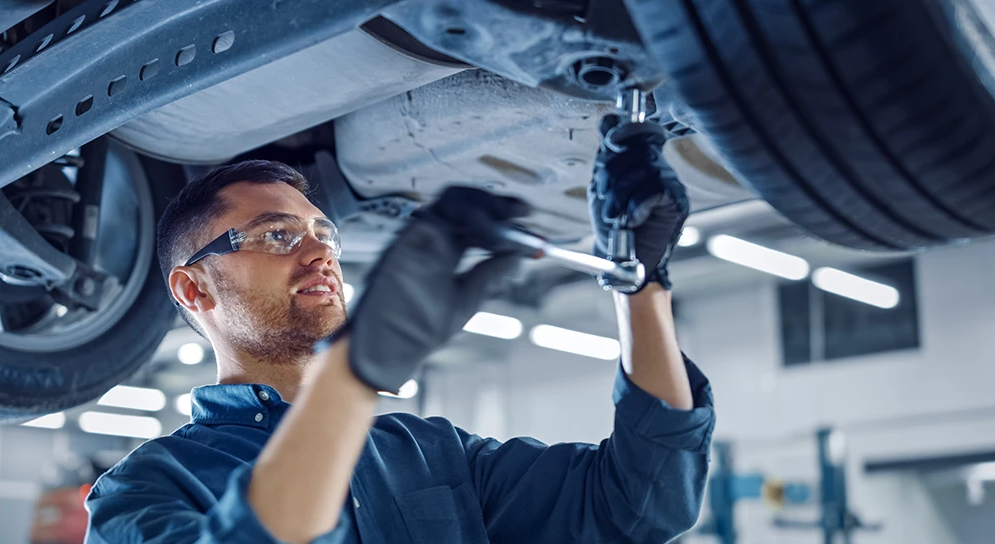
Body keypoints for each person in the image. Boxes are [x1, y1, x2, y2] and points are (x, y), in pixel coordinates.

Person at [84, 116, 715, 544]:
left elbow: (641, 502)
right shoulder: (144, 489)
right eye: (277, 235)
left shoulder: (432, 453)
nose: (320, 253)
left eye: (323, 234)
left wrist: (642, 283)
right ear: (193, 288)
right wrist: (353, 375)